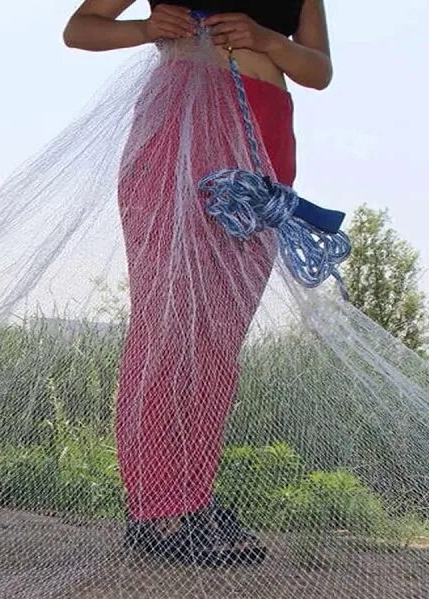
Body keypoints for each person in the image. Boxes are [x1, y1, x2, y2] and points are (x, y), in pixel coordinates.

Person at [62, 1, 333, 566]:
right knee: (168, 326)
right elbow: (79, 29)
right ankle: (158, 508)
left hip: (265, 132)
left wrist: (267, 39)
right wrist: (145, 28)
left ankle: (191, 498)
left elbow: (318, 70)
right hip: (181, 121)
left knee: (218, 342)